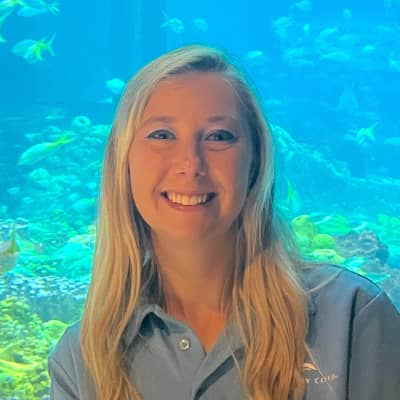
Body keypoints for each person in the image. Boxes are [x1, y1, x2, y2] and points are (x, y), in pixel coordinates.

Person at [47, 44, 400, 400]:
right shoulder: (78, 361)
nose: (190, 164)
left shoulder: (352, 315)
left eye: (218, 136)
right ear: (122, 161)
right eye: (162, 135)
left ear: (255, 162)